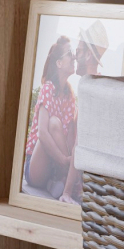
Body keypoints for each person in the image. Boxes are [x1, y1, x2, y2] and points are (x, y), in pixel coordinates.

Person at [24, 35, 78, 201]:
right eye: (70, 53)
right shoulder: (48, 88)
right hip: (36, 165)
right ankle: (59, 179)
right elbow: (42, 134)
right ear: (59, 63)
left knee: (67, 130)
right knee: (53, 123)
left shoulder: (70, 96)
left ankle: (59, 181)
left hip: (54, 167)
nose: (74, 56)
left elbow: (69, 137)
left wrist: (70, 160)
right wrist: (64, 160)